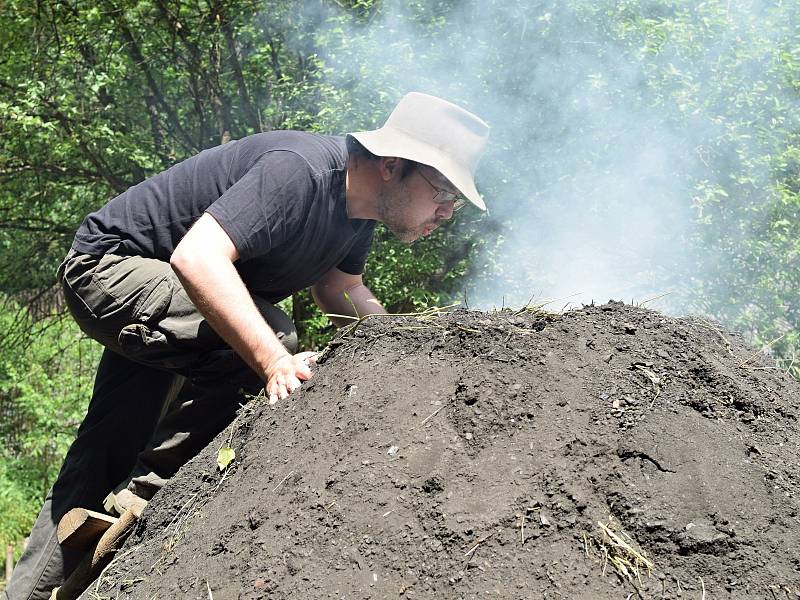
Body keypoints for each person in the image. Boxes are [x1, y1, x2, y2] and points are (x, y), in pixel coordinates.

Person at [3, 91, 489, 599]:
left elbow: (339, 291)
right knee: (271, 336)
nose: (448, 210)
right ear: (392, 165)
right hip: (109, 271)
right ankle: (143, 499)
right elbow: (198, 258)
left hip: (172, 306)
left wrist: (405, 344)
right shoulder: (298, 171)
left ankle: (32, 592)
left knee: (110, 442)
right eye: (442, 190)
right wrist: (273, 360)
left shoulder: (357, 217)